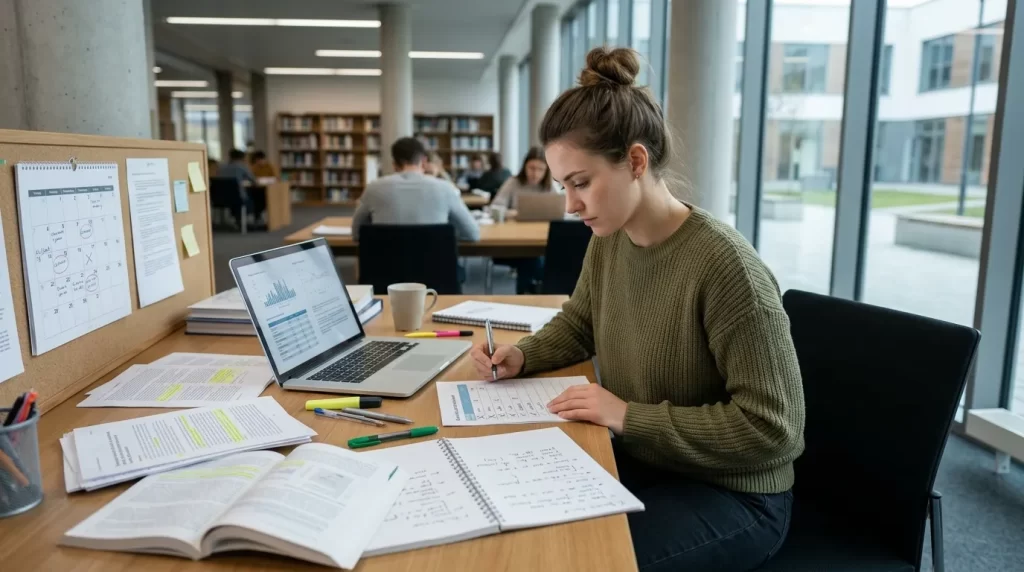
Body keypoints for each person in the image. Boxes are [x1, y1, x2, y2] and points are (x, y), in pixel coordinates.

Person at [468, 47, 804, 572]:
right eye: (563, 186)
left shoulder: (727, 268)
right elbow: (581, 322)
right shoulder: (612, 237)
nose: (570, 205)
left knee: (585, 560)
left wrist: (627, 416)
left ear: (636, 161)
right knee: (519, 523)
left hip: (735, 495)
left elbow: (774, 431)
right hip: (647, 458)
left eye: (581, 183)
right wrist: (523, 356)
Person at [352, 137, 480, 245]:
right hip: (436, 272)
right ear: (424, 162)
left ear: (394, 164)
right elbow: (472, 234)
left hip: (384, 272)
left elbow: (356, 233)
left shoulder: (374, 188)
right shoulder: (445, 188)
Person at [490, 147, 559, 210]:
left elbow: (560, 211)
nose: (535, 174)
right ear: (524, 167)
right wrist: (512, 214)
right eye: (532, 168)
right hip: (515, 223)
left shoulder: (551, 185)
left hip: (544, 224)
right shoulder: (513, 182)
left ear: (546, 171)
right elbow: (495, 207)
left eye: (541, 169)